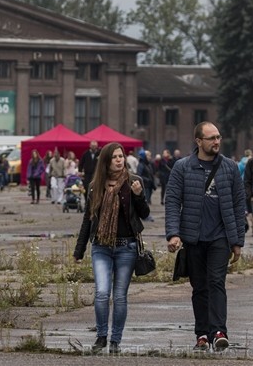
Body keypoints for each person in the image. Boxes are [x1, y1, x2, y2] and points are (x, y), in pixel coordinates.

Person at [165, 121, 246, 352]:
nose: (217, 142)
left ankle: (219, 332)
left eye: (218, 137)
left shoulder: (230, 167)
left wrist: (237, 241)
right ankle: (202, 334)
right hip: (193, 238)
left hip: (220, 237)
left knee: (216, 283)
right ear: (199, 141)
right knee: (199, 287)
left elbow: (240, 204)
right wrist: (173, 233)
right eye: (211, 138)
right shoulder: (183, 167)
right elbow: (172, 201)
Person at [73, 142, 149, 354]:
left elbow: (144, 214)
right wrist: (79, 251)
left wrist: (139, 195)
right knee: (101, 293)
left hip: (127, 248)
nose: (119, 160)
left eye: (121, 156)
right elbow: (87, 220)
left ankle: (115, 340)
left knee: (119, 297)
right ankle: (101, 337)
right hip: (101, 247)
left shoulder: (134, 182)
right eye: (115, 157)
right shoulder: (94, 185)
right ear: (106, 161)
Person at [136, 150, 156, 222]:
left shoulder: (147, 164)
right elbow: (139, 175)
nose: (150, 157)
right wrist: (147, 180)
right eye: (148, 155)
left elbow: (151, 174)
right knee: (145, 201)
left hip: (149, 186)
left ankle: (146, 215)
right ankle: (146, 216)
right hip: (145, 186)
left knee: (147, 201)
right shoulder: (141, 164)